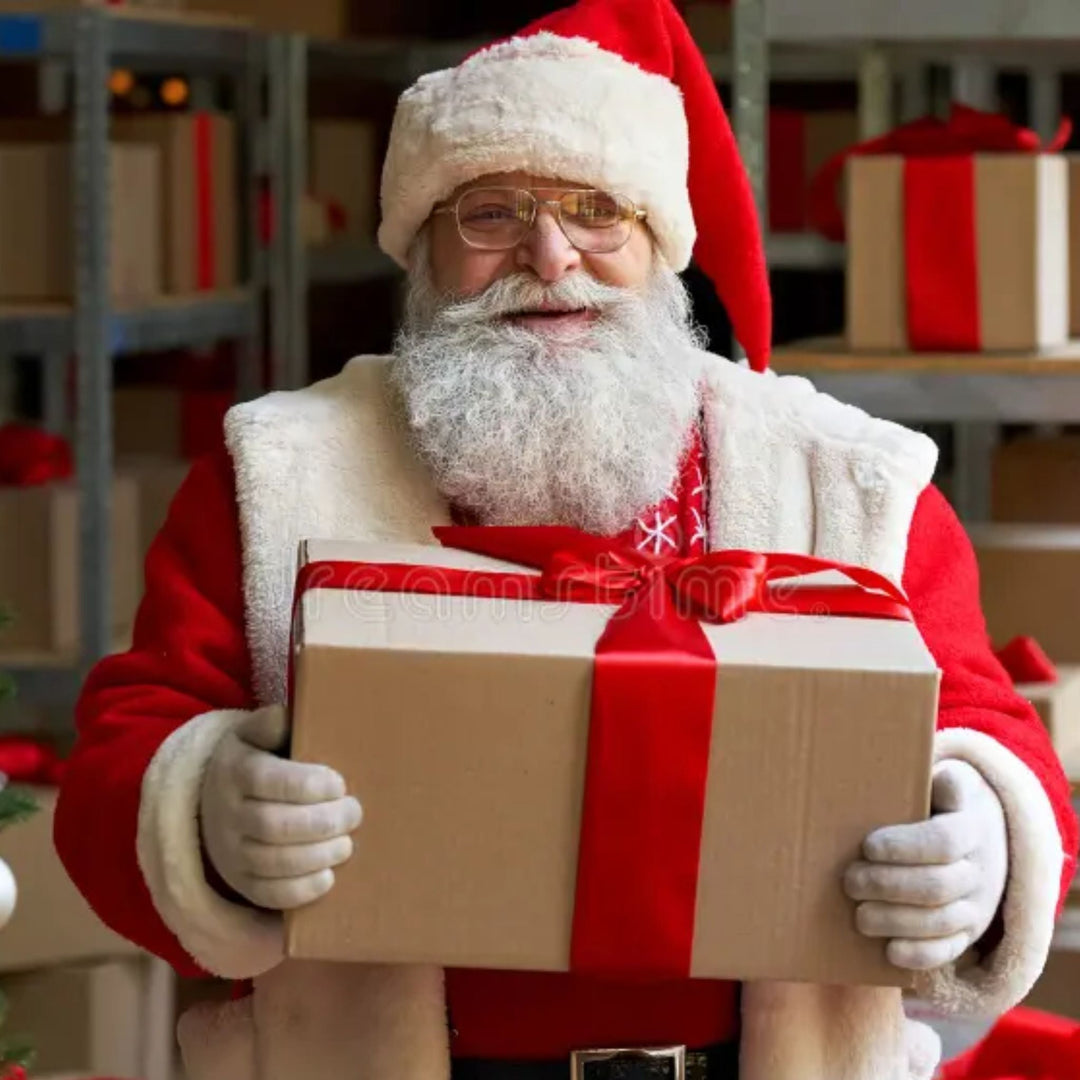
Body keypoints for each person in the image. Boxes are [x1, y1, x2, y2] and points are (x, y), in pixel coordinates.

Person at [54, 1, 1077, 1078]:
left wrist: (978, 841)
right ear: (423, 250)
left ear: (659, 246)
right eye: (490, 214)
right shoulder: (276, 472)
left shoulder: (847, 477)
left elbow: (986, 731)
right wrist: (205, 804)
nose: (551, 255)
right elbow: (128, 743)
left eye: (599, 211)